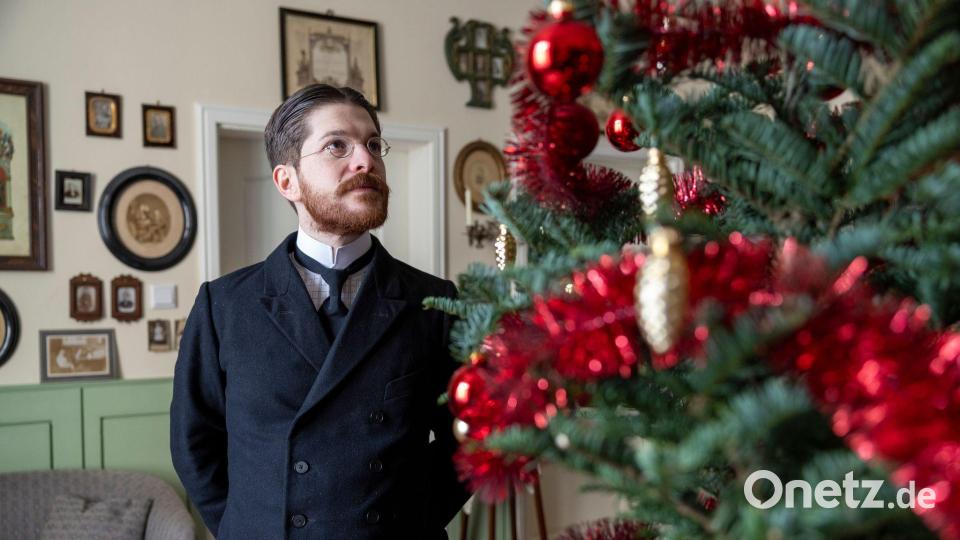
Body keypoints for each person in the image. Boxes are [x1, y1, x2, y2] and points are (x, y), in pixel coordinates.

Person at [170, 84, 469, 540]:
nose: (365, 160)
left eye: (373, 144)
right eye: (337, 145)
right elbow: (195, 445)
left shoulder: (434, 302)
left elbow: (468, 437)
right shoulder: (223, 306)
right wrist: (248, 527)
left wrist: (416, 519)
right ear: (286, 180)